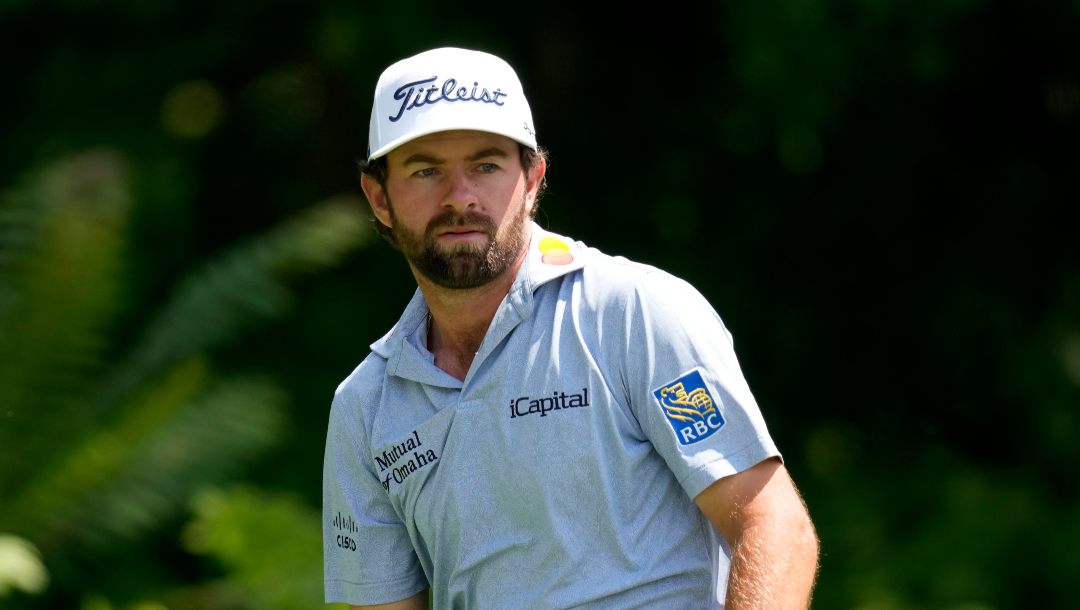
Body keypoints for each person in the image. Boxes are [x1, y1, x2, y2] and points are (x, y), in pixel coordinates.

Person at [323, 46, 820, 609]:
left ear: (533, 179)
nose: (460, 197)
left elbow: (774, 526)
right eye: (426, 171)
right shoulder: (366, 407)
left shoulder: (635, 314)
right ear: (379, 197)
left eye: (486, 166)